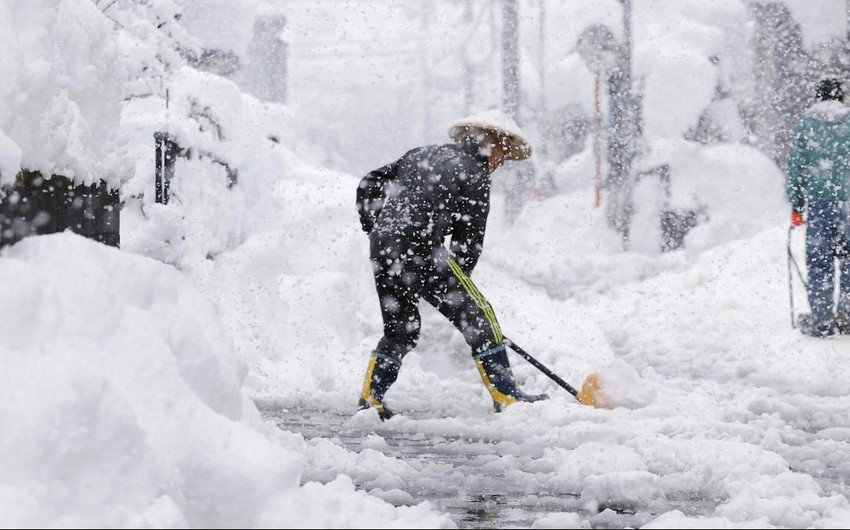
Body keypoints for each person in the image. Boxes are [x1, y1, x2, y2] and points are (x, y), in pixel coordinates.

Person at [355, 110, 548, 420]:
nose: (501, 163)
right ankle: (506, 395)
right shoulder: (474, 173)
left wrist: (376, 228)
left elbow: (370, 182)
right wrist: (457, 291)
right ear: (494, 143)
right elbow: (468, 243)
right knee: (481, 316)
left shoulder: (422, 154)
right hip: (422, 248)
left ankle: (371, 395)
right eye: (503, 155)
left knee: (401, 328)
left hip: (384, 248)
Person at [786, 77, 850, 337]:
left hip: (821, 205)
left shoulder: (805, 127)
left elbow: (796, 170)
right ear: (842, 98)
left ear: (818, 98)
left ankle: (822, 320)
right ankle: (847, 315)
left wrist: (797, 205)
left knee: (820, 263)